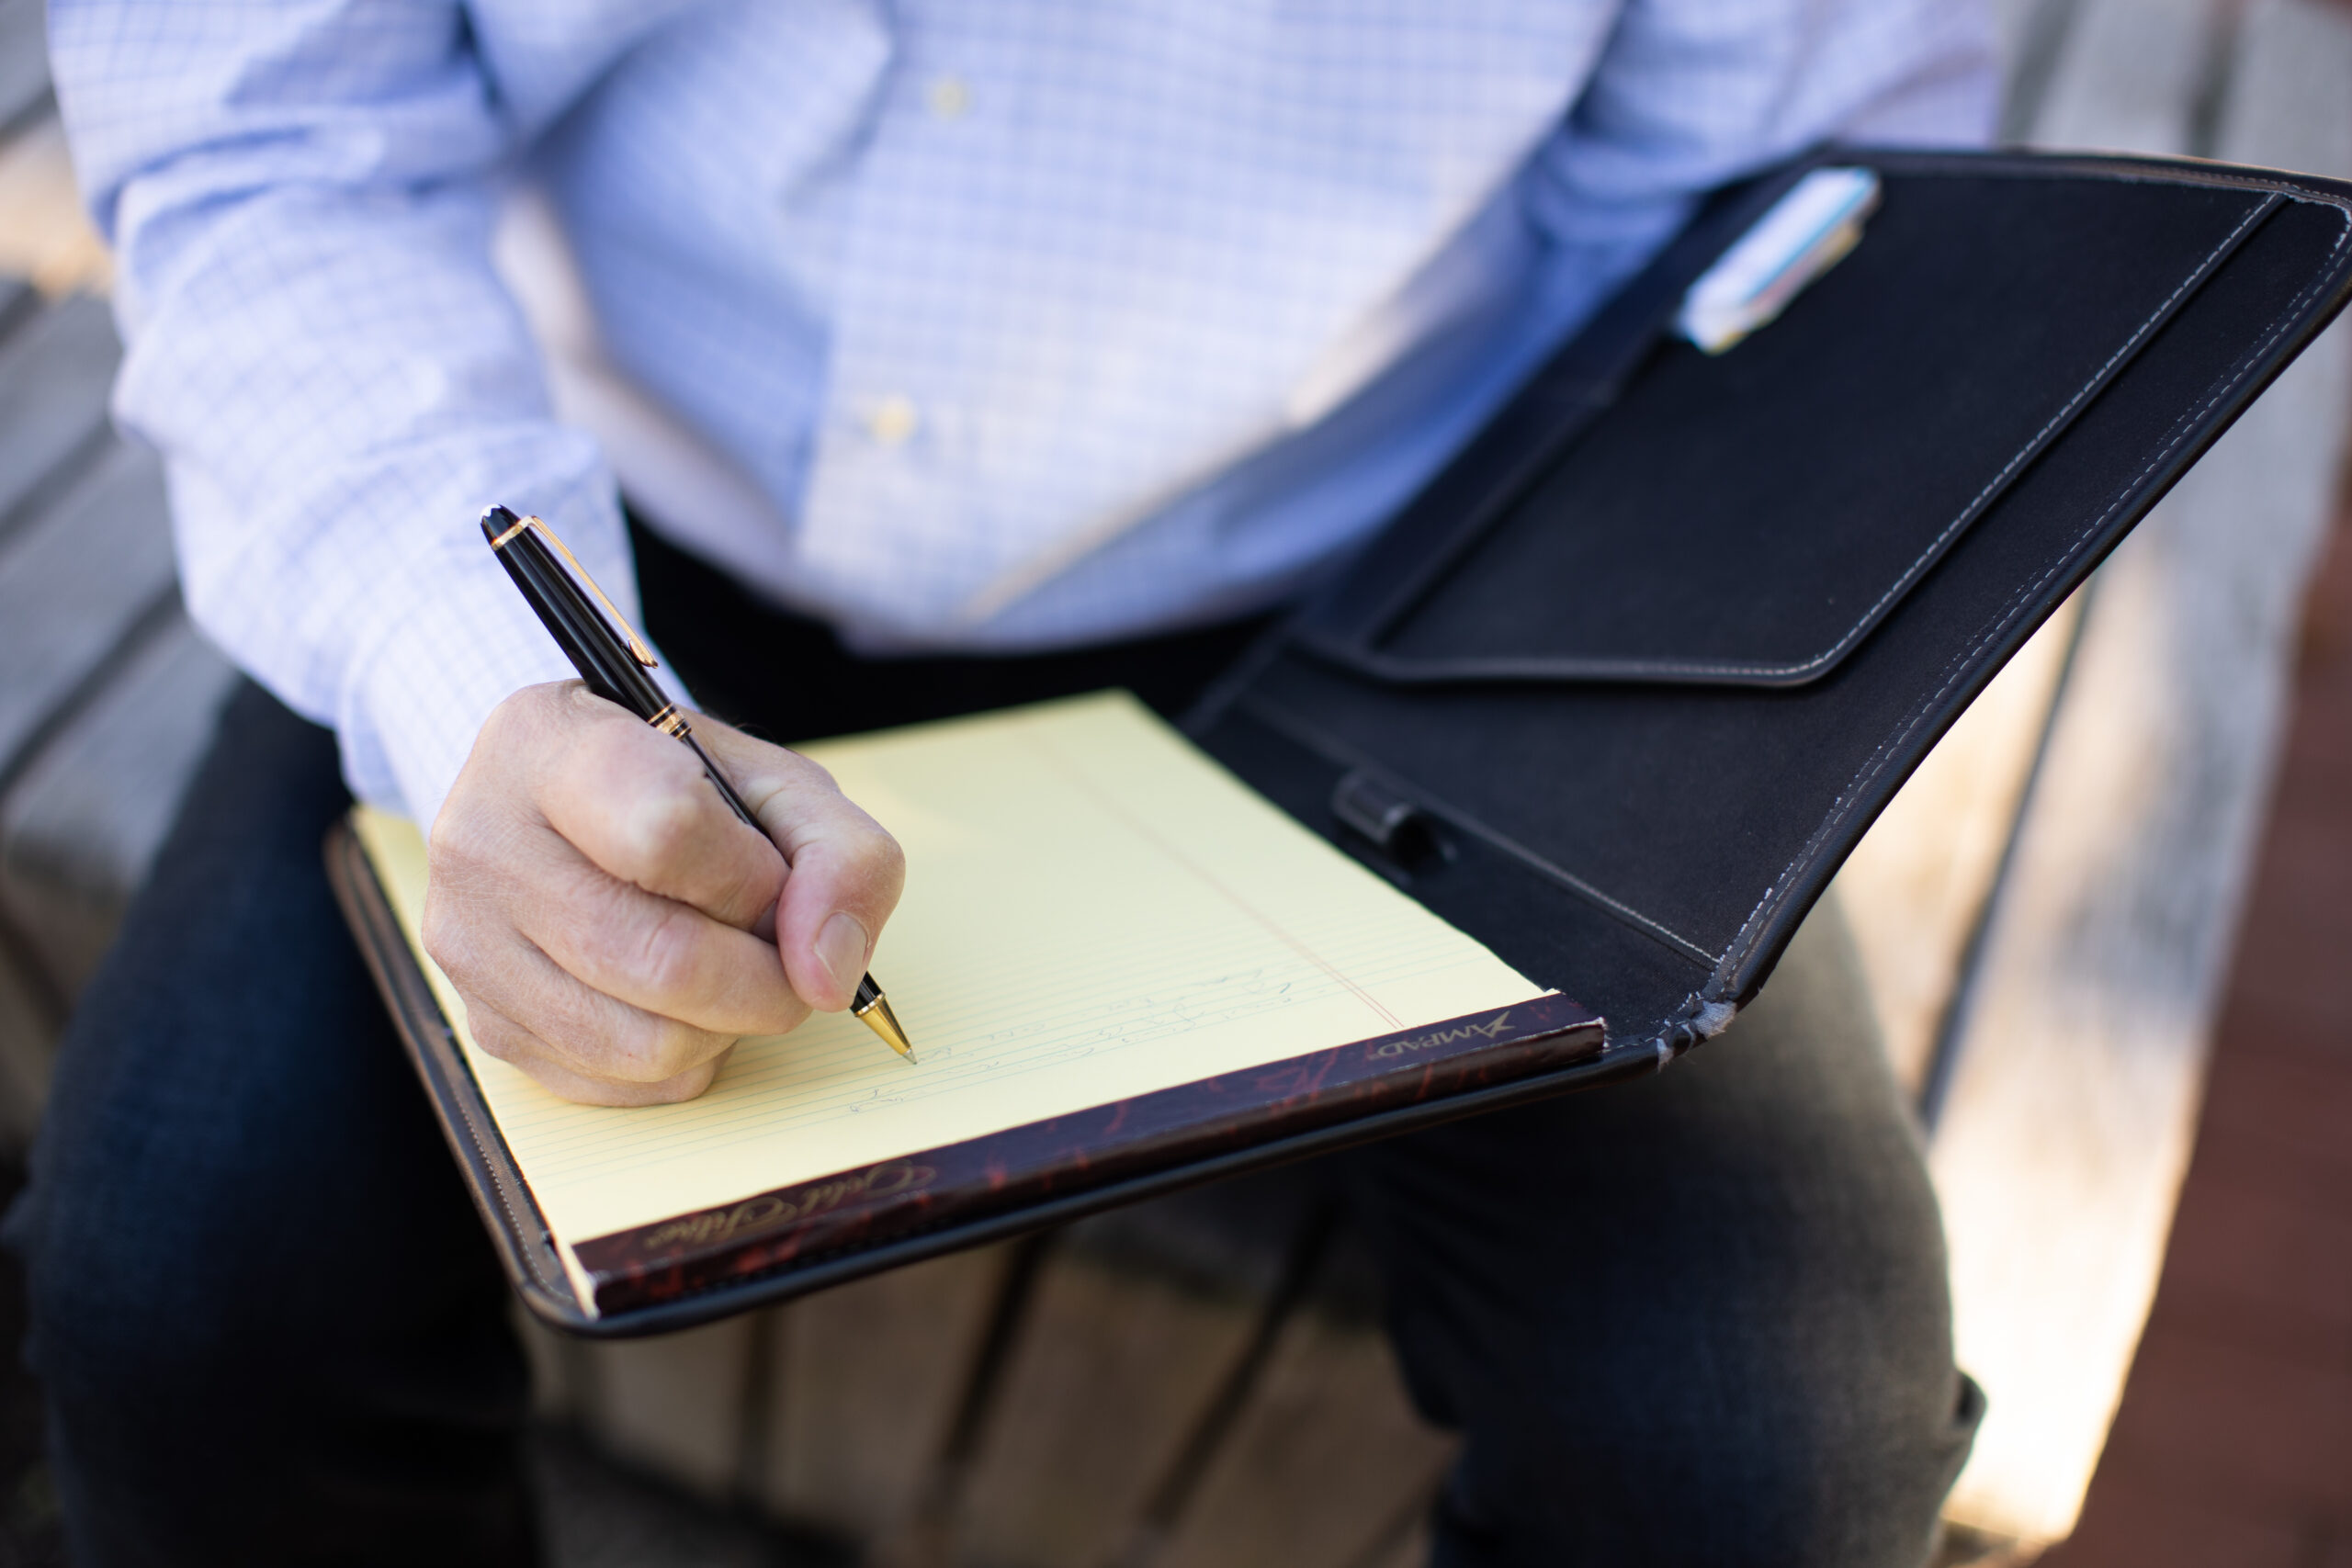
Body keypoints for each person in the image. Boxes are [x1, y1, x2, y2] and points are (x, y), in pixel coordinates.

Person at [15, 2, 1995, 1562]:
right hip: (589, 539)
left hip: (1411, 541)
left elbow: (1789, 191)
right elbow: (267, 131)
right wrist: (462, 666)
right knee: (180, 1284)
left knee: (1768, 1439)